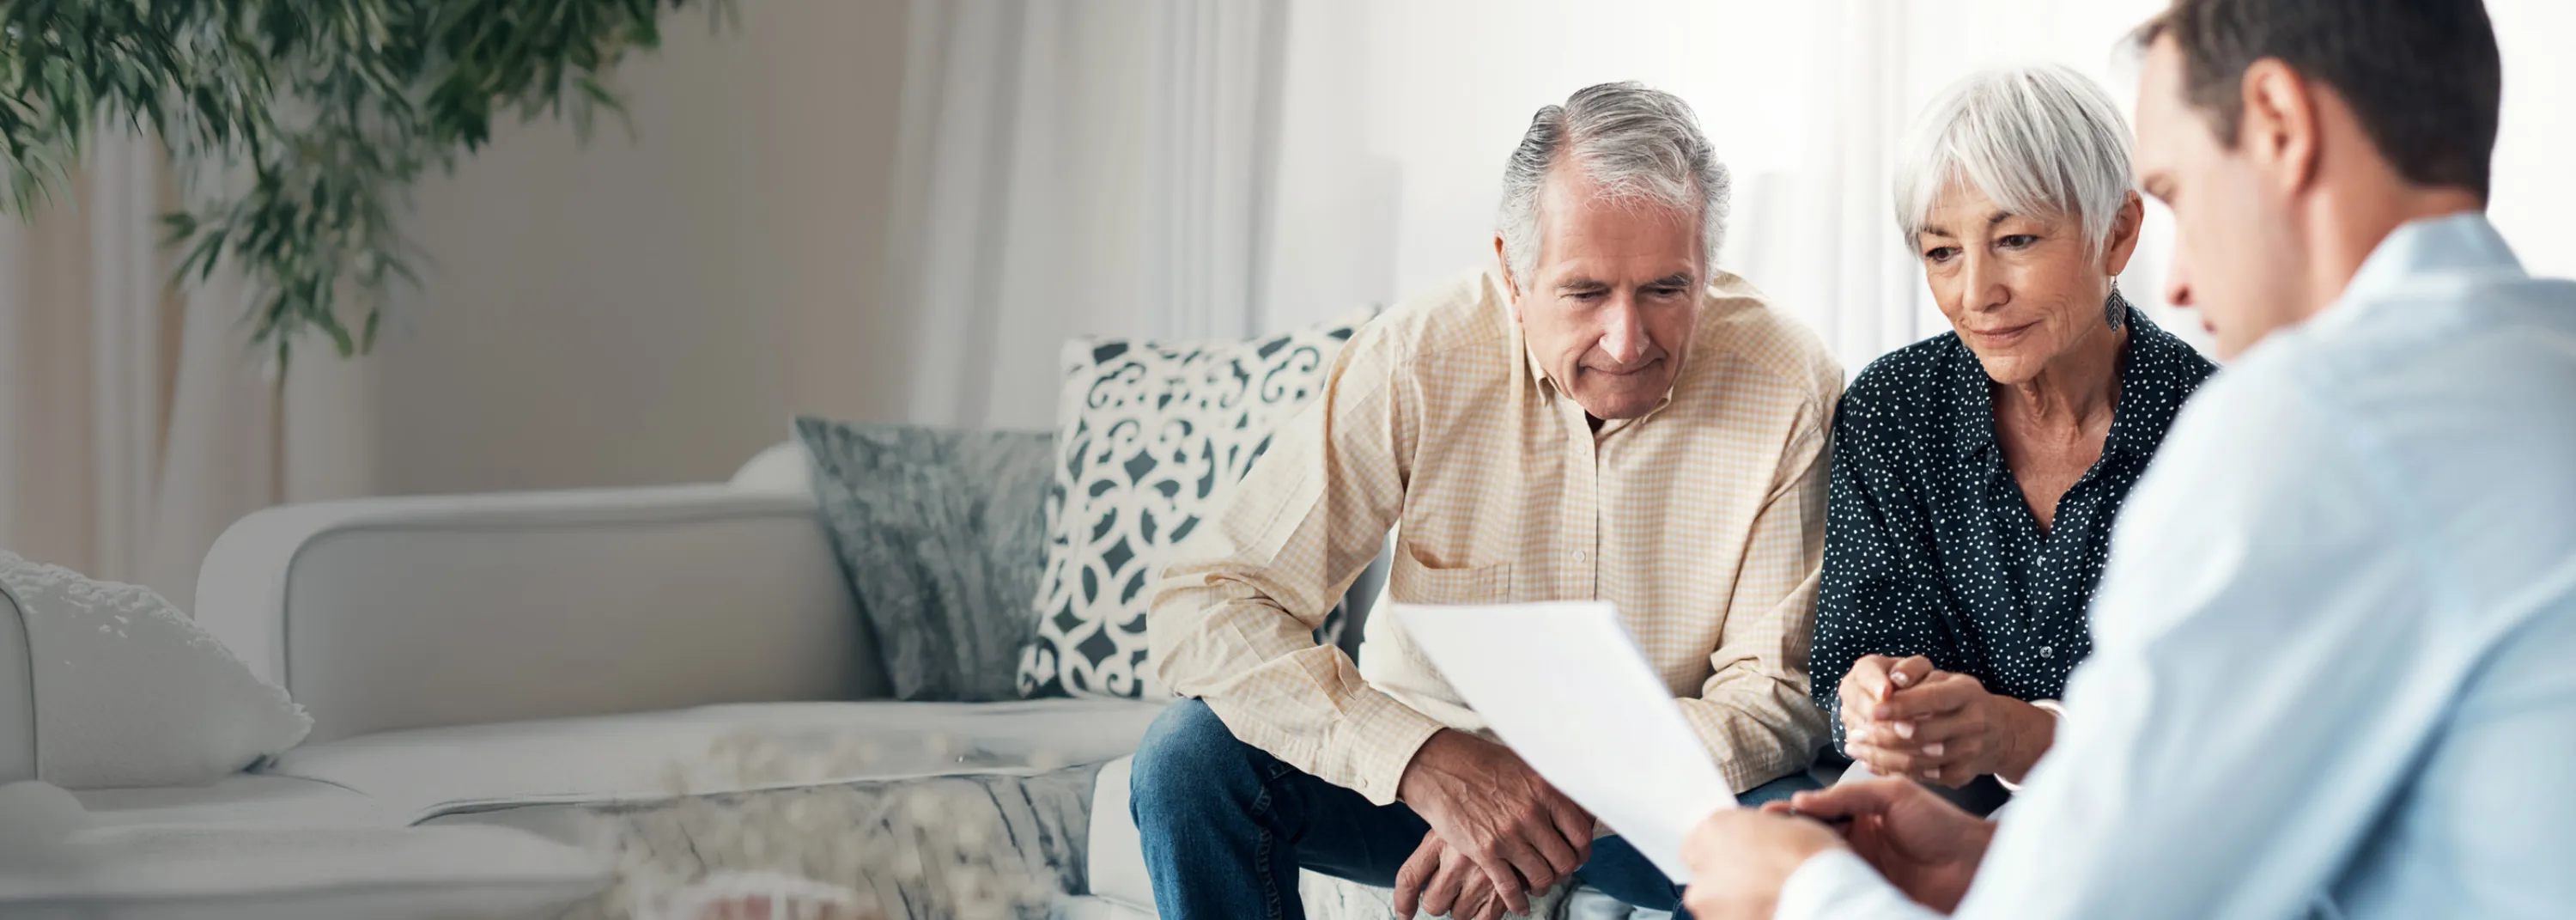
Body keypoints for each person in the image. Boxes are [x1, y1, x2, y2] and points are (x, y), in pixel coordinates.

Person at [1679, 1, 2576, 917]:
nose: (2179, 279)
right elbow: (2261, 823)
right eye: (1941, 250)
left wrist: (1798, 890)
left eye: (2180, 193)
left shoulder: (2304, 425)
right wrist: (1996, 859)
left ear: (2279, 124)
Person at [1133, 82, 1844, 920]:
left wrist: (1558, 796)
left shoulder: (1788, 383)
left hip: (1653, 796)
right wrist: (1422, 761)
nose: (1628, 339)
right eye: (1585, 293)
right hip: (1430, 780)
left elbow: (1775, 698)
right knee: (1189, 761)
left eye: (1666, 289)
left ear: (1708, 266)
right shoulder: (1420, 356)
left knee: (1799, 864)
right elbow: (1210, 599)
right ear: (1513, 272)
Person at [1814, 64, 2215, 812]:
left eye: (2017, 239)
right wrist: (1873, 700)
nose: (1976, 294)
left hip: (2152, 824)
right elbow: (1851, 658)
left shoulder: (2218, 429)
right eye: (1942, 252)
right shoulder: (1891, 410)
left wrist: (2018, 734)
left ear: (2118, 232)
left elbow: (2221, 727)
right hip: (1929, 804)